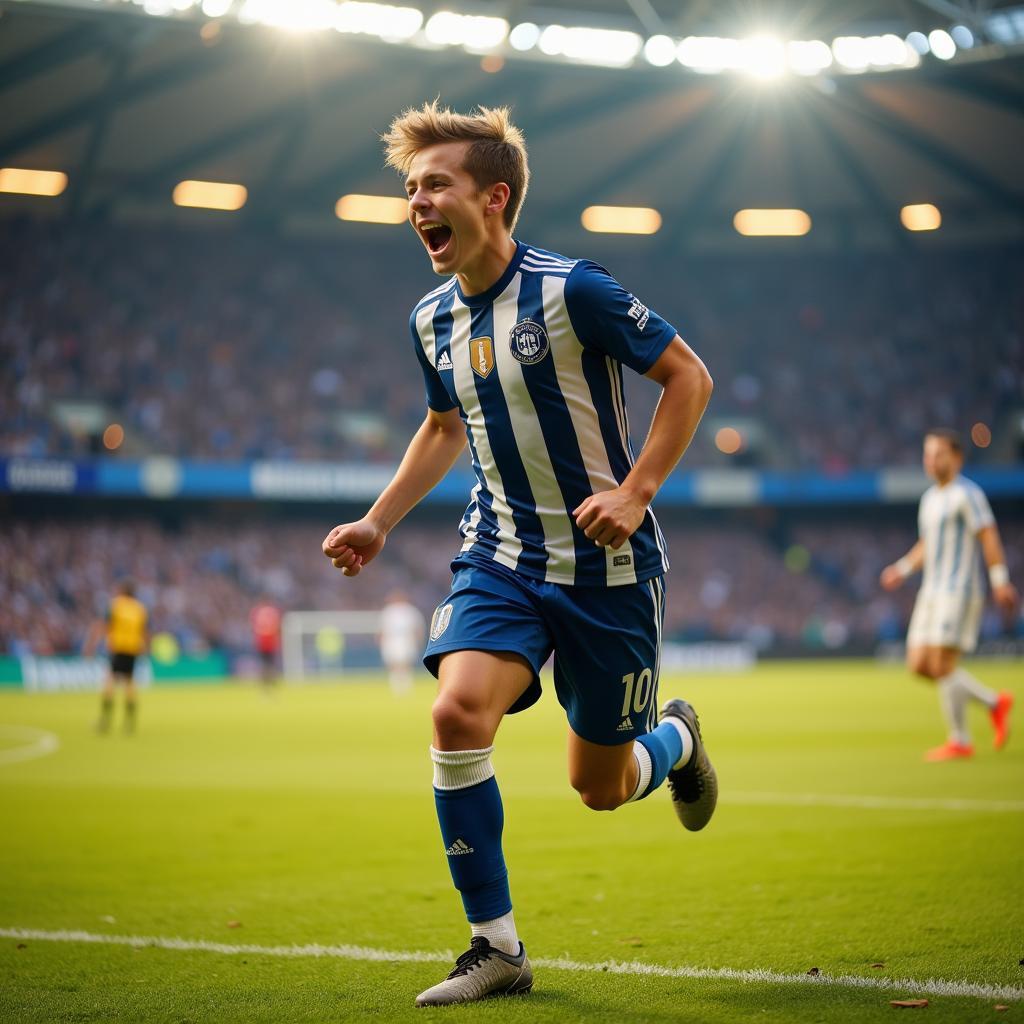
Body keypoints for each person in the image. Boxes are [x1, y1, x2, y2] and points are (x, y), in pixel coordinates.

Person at [321, 102, 716, 1007]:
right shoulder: (429, 320)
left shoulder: (574, 290)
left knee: (603, 786)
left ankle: (681, 736)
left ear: (494, 198)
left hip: (609, 572)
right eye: (410, 189)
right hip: (499, 555)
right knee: (458, 715)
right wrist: (381, 520)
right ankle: (495, 947)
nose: (417, 203)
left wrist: (634, 491)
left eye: (436, 185)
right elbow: (440, 424)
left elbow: (688, 376)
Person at [881, 429, 1017, 760]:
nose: (931, 461)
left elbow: (988, 535)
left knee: (942, 663)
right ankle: (994, 703)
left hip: (959, 590)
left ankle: (960, 740)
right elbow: (927, 546)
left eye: (939, 454)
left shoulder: (967, 494)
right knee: (918, 664)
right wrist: (901, 568)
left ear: (956, 458)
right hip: (931, 591)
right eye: (927, 455)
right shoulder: (930, 499)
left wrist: (1000, 580)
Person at [85, 579, 149, 734]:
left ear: (122, 591)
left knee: (109, 682)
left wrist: (91, 645)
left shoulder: (115, 605)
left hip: (117, 648)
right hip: (133, 649)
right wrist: (146, 648)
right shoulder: (139, 609)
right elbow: (144, 631)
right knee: (129, 683)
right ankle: (129, 722)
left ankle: (105, 720)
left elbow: (103, 625)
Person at [379, 590, 426, 695]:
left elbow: (418, 627)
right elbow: (382, 628)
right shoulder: (388, 611)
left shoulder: (411, 611)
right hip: (391, 640)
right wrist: (381, 640)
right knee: (393, 664)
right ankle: (396, 686)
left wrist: (418, 640)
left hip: (406, 640)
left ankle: (405, 686)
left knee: (406, 664)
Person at [250, 597, 282, 690]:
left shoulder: (257, 611)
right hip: (271, 640)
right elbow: (277, 625)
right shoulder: (273, 611)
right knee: (271, 663)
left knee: (264, 663)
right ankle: (271, 682)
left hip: (262, 640)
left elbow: (254, 626)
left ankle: (265, 683)